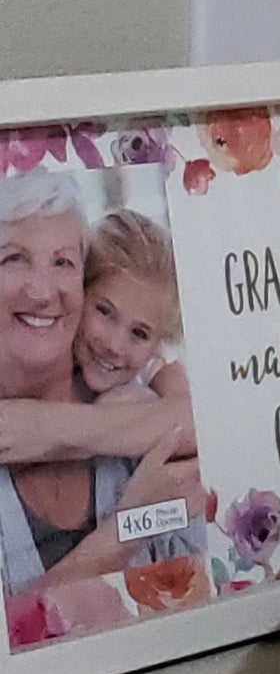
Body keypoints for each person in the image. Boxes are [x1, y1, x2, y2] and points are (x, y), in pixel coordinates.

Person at [0, 170, 202, 601]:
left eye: (62, 262)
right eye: (13, 258)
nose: (42, 292)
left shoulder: (142, 407)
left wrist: (51, 429)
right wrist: (127, 528)